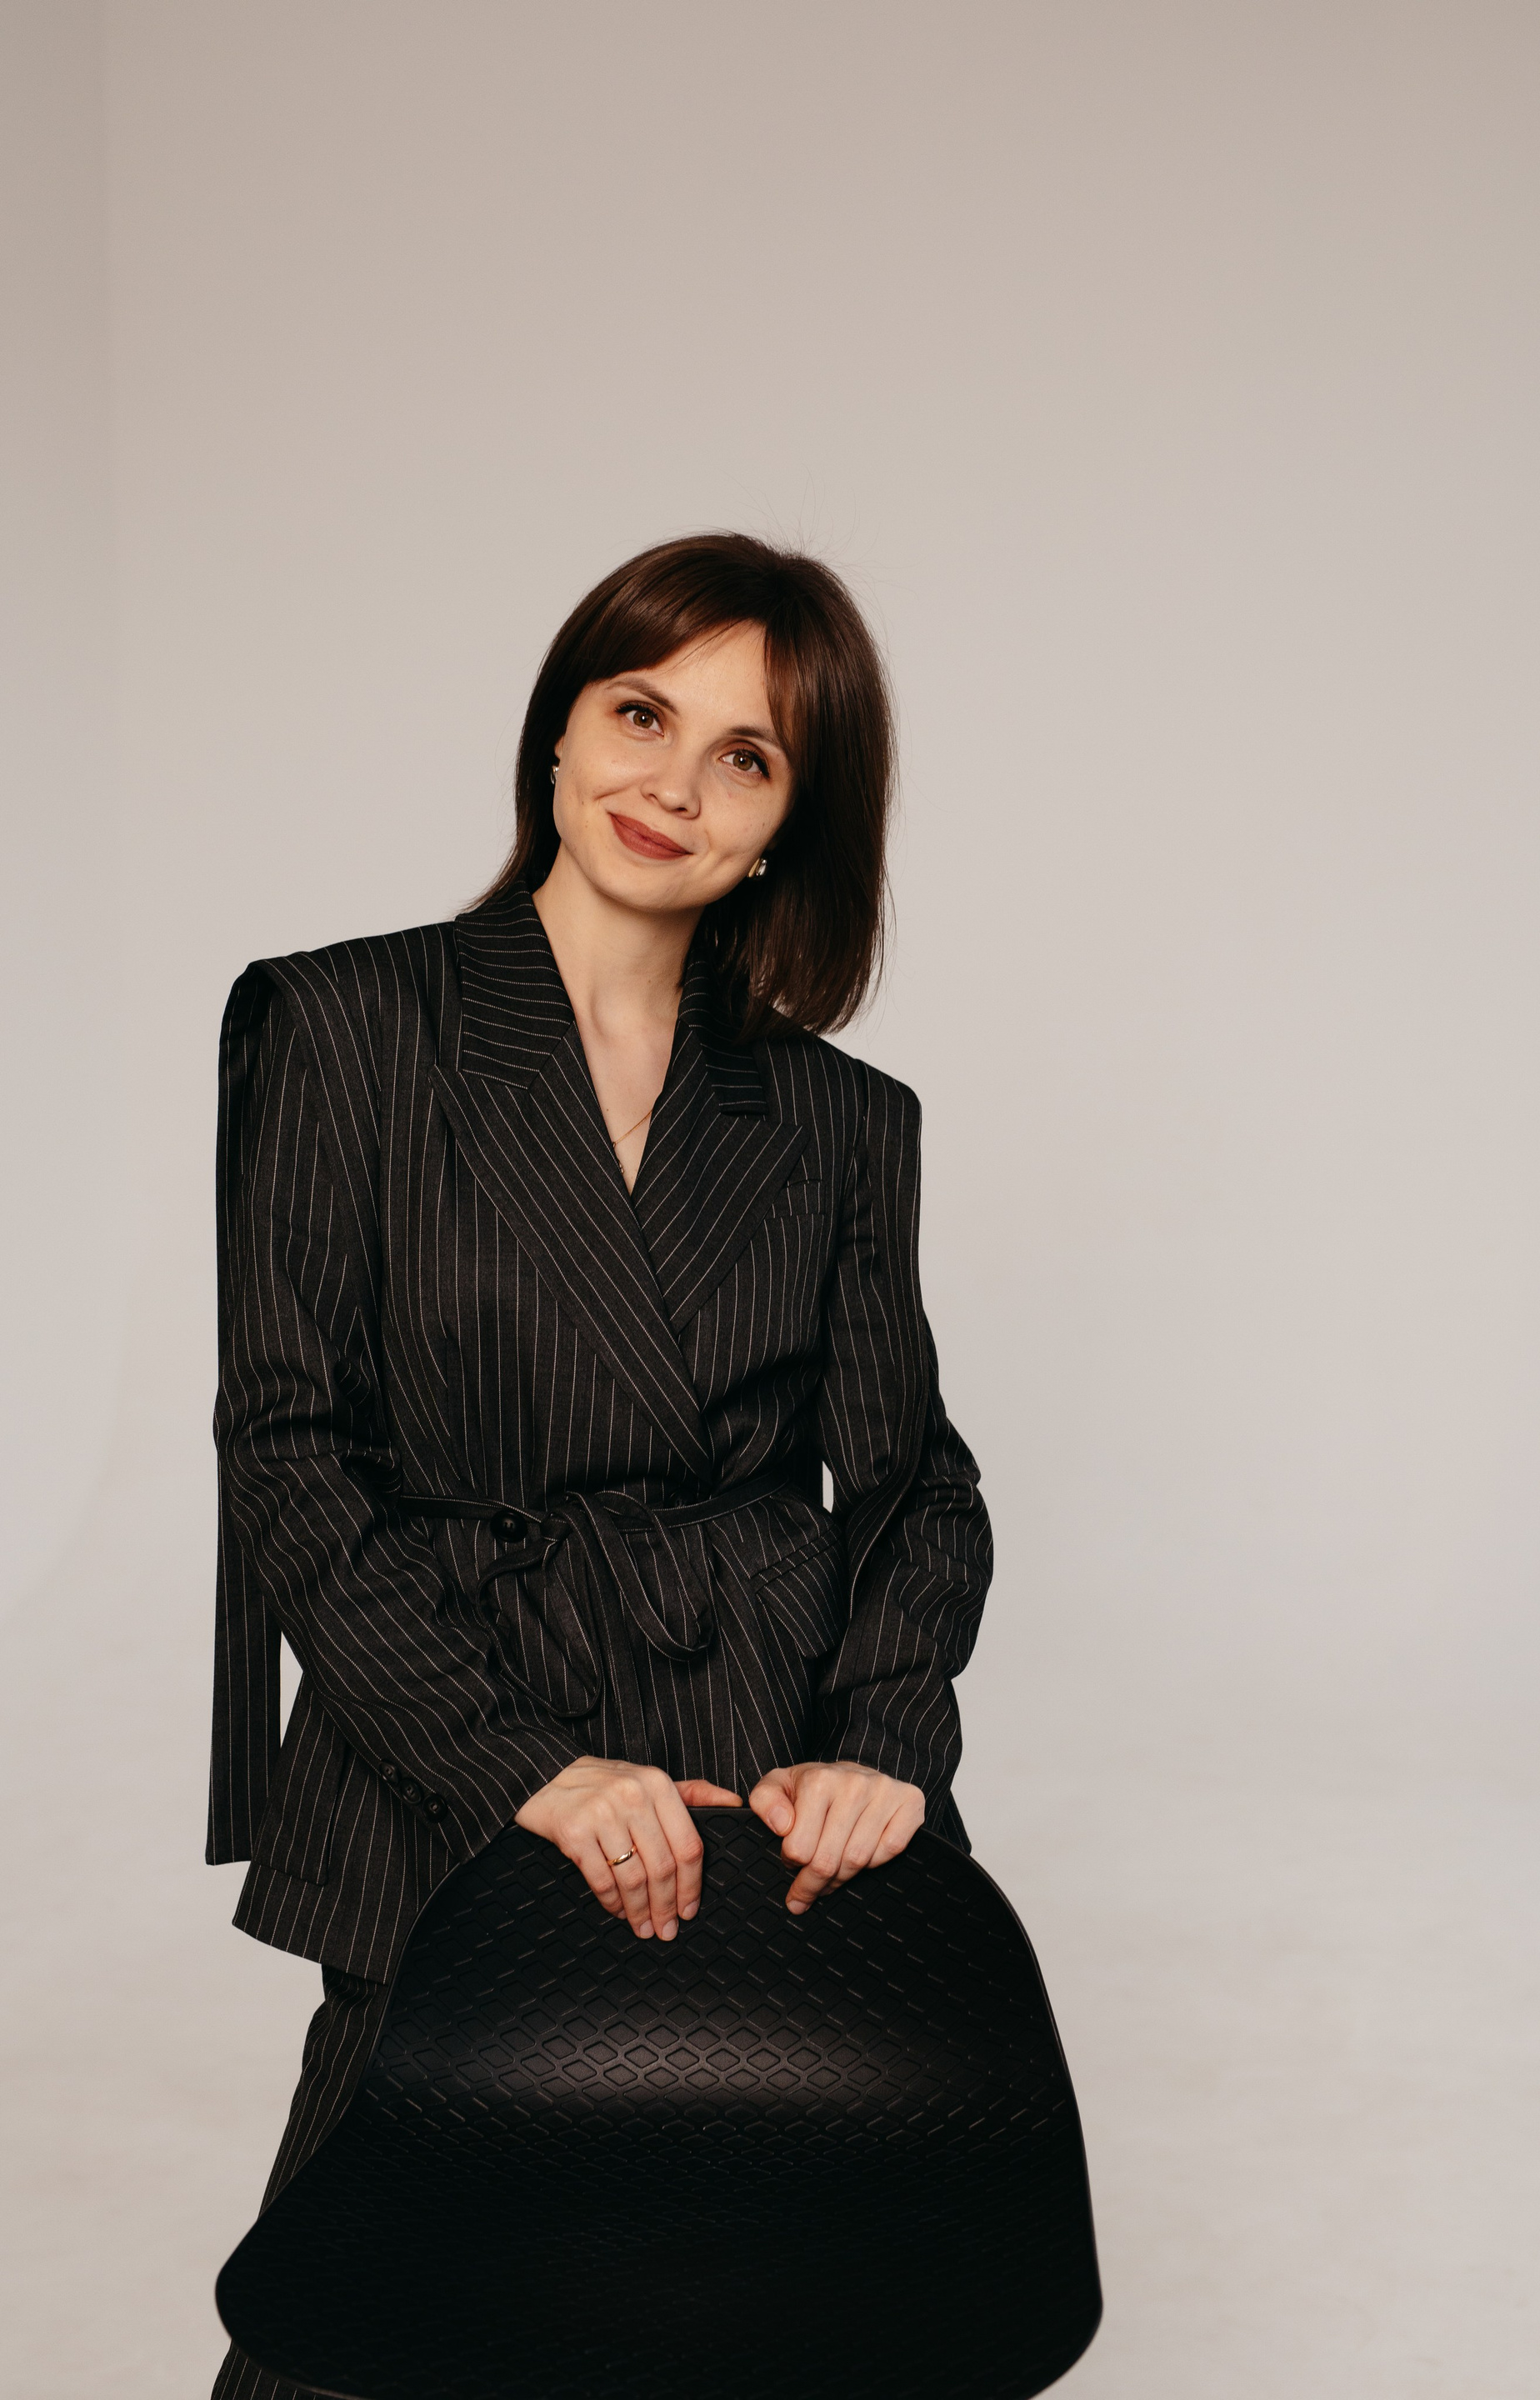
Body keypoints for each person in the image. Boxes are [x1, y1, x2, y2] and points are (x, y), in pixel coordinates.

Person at [208, 532, 994, 2399]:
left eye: (748, 756)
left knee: (724, 2325)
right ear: (558, 729)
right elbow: (287, 1453)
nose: (675, 785)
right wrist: (526, 1771)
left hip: (746, 1766)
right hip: (449, 1747)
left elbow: (915, 1485)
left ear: (790, 824)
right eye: (643, 713)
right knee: (360, 2324)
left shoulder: (839, 1119)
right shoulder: (342, 1026)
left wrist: (884, 1744)